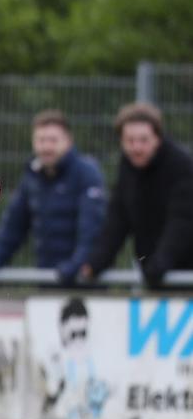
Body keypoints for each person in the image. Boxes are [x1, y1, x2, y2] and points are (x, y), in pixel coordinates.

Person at [81, 102, 193, 288]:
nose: (136, 147)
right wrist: (97, 262)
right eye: (130, 141)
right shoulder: (128, 167)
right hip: (154, 273)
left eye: (143, 140)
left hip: (183, 271)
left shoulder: (181, 166)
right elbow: (117, 220)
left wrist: (161, 262)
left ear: (157, 138)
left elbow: (182, 221)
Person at [0, 110, 105, 285]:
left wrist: (74, 267)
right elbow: (12, 229)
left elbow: (92, 231)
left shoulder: (87, 174)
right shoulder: (32, 178)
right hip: (48, 280)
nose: (46, 147)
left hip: (84, 283)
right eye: (41, 140)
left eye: (53, 140)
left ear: (68, 141)